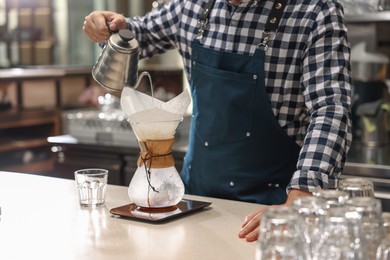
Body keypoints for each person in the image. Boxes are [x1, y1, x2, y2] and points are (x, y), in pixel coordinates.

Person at [83, 0, 352, 242]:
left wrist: (302, 198)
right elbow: (139, 34)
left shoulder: (315, 10)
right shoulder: (191, 6)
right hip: (195, 202)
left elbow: (330, 107)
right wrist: (109, 27)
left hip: (274, 210)